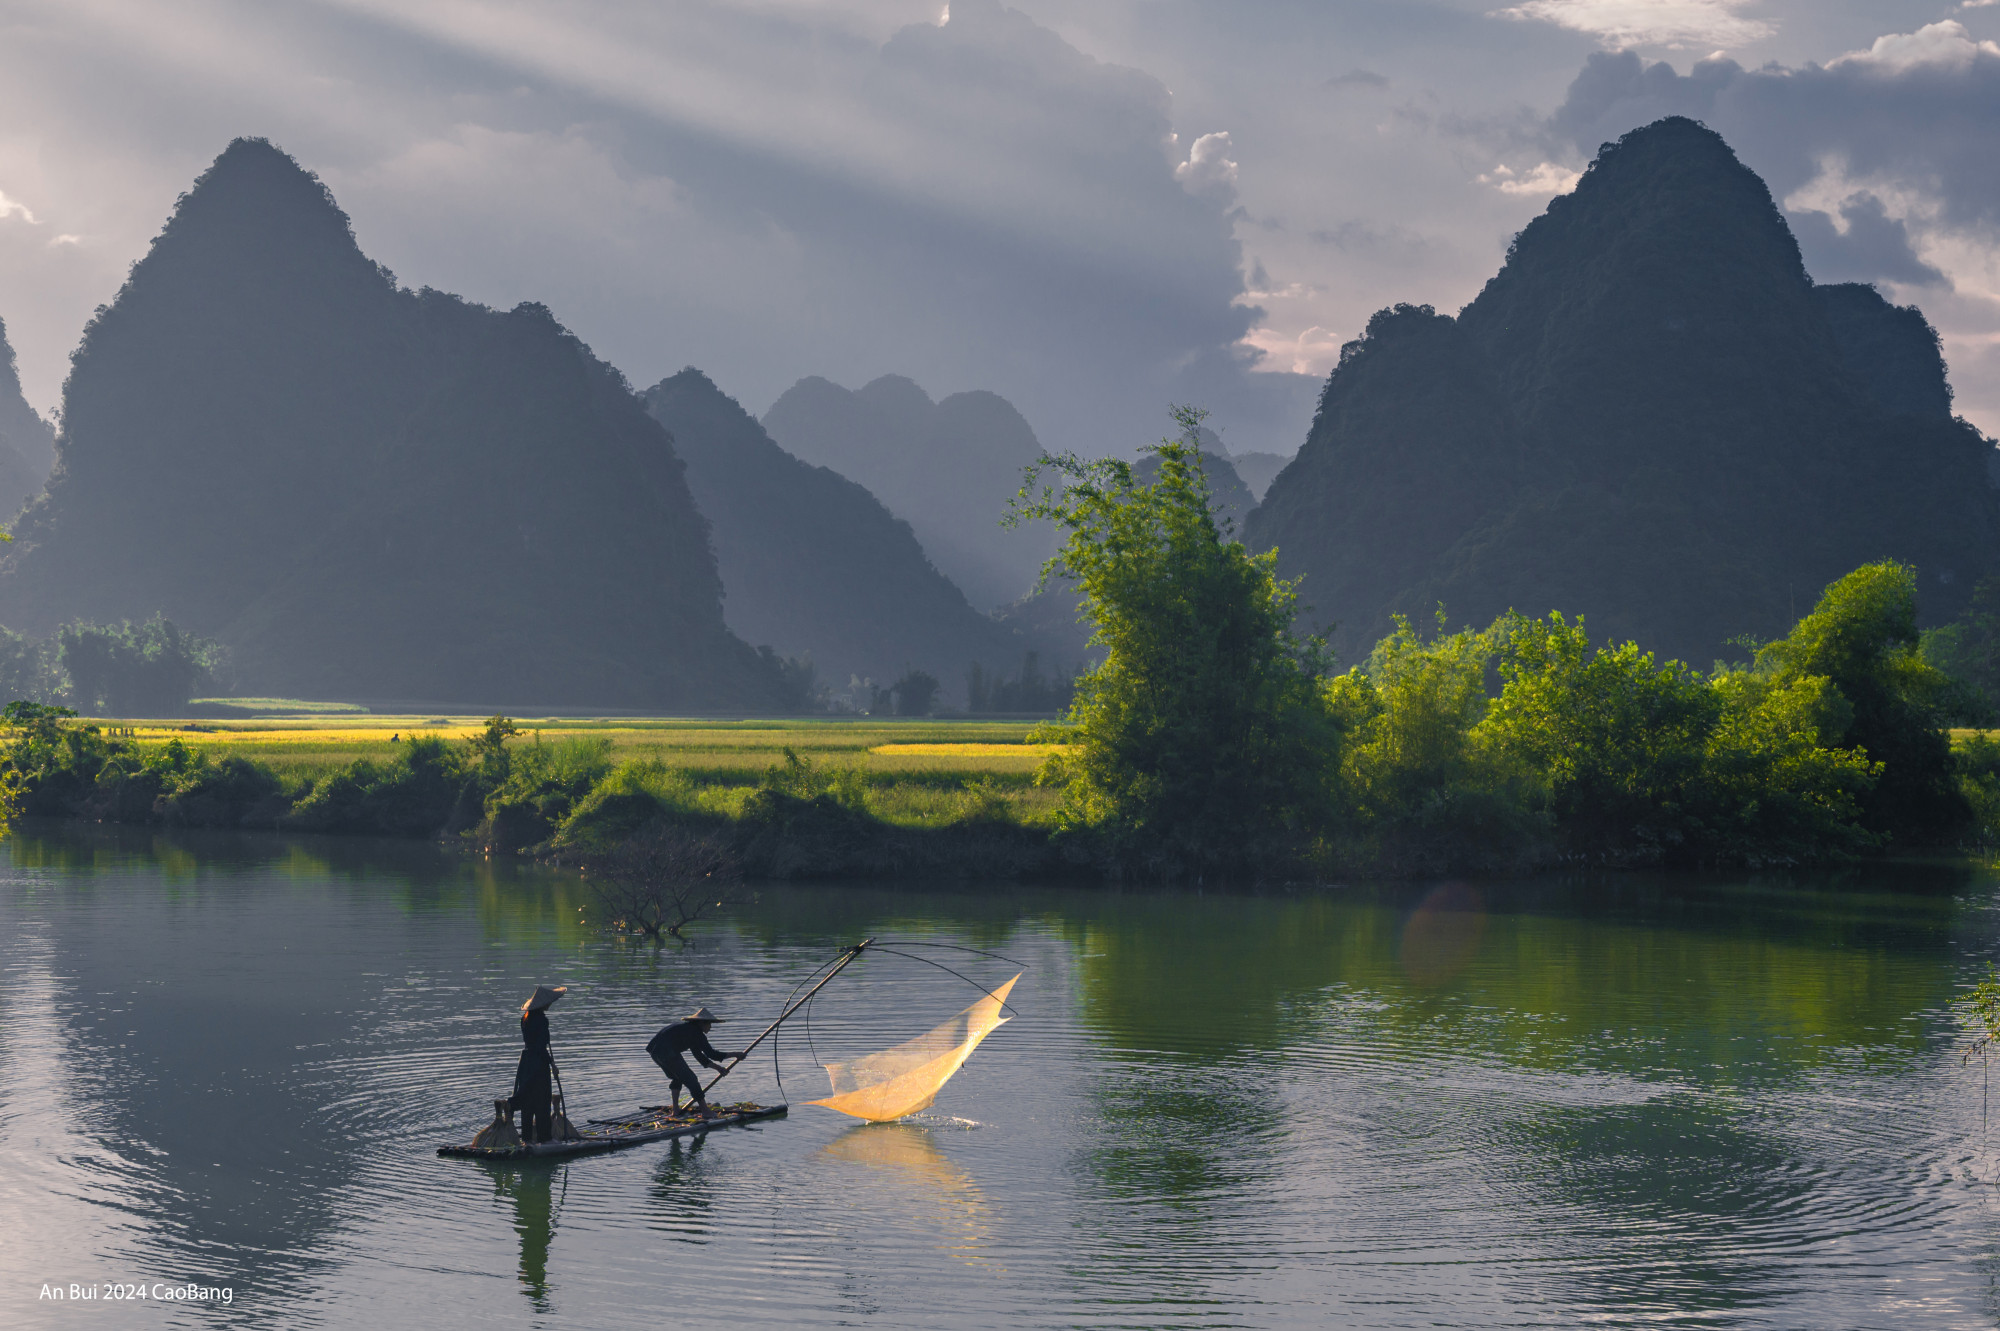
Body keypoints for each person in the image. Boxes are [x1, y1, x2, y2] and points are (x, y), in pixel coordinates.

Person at [646, 1007, 745, 1118]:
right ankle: (705, 1111)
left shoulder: (689, 1030)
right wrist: (736, 1054)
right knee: (691, 1079)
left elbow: (700, 1057)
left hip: (655, 1052)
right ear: (702, 1023)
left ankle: (675, 1110)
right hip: (666, 1052)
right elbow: (712, 1054)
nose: (710, 1027)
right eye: (709, 1024)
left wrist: (718, 1068)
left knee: (677, 1078)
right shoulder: (696, 1033)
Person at [513, 985, 566, 1143]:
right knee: (542, 1100)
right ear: (543, 1004)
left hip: (526, 1062)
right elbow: (541, 1047)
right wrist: (552, 1065)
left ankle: (527, 1138)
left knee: (527, 1100)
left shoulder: (525, 1019)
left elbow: (533, 1045)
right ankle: (544, 1137)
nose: (549, 1005)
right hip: (538, 1063)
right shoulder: (542, 1020)